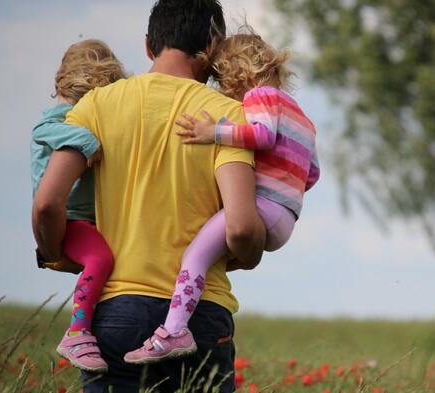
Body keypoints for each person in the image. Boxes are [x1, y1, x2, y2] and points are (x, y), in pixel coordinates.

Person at [32, 0, 266, 391]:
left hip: (115, 312)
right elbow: (241, 227)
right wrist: (250, 255)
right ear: (213, 48)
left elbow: (46, 203)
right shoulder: (227, 117)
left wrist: (57, 253)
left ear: (148, 46)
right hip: (200, 315)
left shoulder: (95, 105)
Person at [124, 28, 320, 364]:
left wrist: (213, 132)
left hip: (262, 207)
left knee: (194, 257)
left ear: (238, 73)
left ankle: (173, 331)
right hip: (286, 217)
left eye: (222, 80)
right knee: (213, 255)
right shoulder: (303, 117)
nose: (223, 90)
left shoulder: (260, 95)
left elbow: (262, 135)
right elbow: (312, 174)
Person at [31, 39, 125, 373]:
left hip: (86, 219)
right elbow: (43, 130)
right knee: (101, 259)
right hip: (70, 219)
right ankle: (77, 331)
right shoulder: (61, 118)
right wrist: (88, 141)